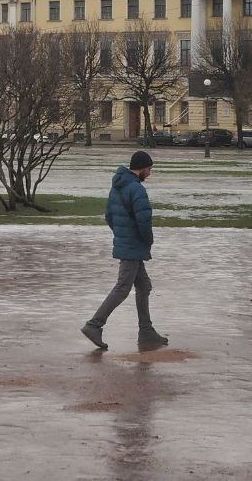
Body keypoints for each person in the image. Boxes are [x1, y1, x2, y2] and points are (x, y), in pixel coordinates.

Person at [81, 150, 169, 352]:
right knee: (122, 287)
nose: (150, 172)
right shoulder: (136, 189)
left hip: (128, 243)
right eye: (149, 168)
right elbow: (143, 220)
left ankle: (146, 330)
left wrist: (122, 234)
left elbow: (109, 216)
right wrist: (147, 240)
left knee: (144, 286)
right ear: (142, 168)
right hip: (133, 246)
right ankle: (94, 325)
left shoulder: (118, 186)